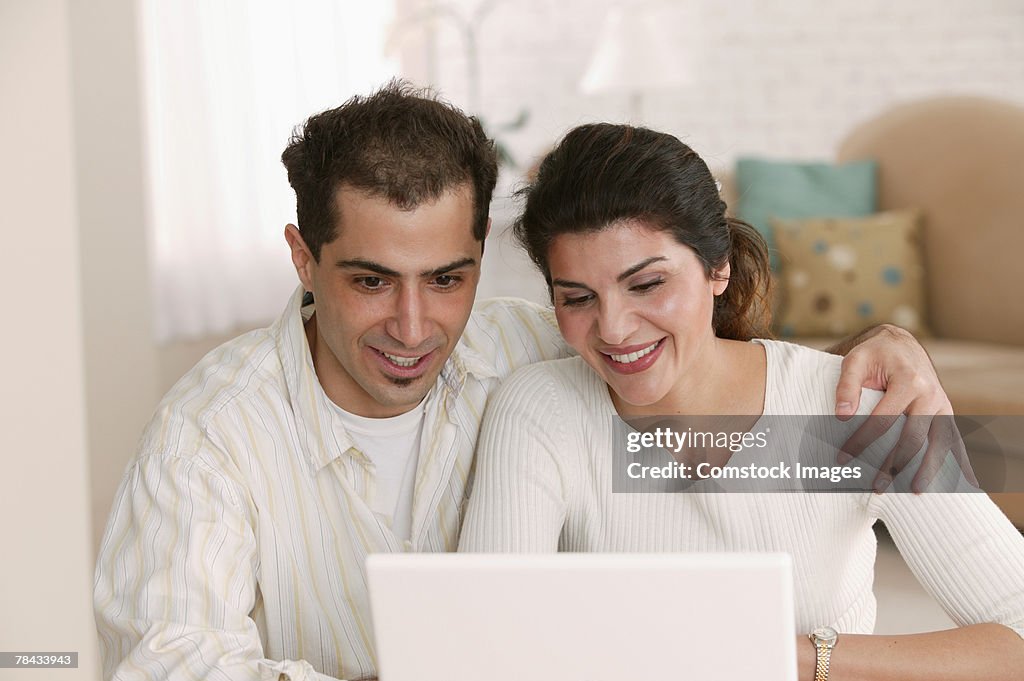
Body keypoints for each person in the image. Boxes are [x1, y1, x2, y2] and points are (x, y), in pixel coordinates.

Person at [94, 83, 962, 681]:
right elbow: (168, 659)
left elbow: (675, 339)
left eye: (447, 277)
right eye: (369, 280)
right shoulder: (209, 432)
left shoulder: (538, 348)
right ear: (302, 258)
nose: (412, 326)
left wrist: (883, 347)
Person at [457, 122, 1024, 680]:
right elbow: (486, 646)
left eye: (648, 284)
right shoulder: (538, 410)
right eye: (578, 298)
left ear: (717, 267)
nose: (614, 329)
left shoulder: (859, 406)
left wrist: (794, 657)